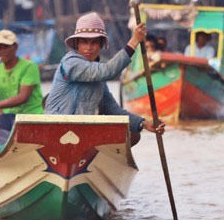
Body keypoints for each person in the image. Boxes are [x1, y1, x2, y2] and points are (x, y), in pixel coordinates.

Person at [45, 12, 165, 145]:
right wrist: (134, 41)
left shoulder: (99, 79)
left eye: (94, 42)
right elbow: (108, 71)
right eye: (84, 42)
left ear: (101, 45)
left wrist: (144, 123)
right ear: (77, 44)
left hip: (81, 134)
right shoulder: (71, 62)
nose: (89, 48)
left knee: (133, 134)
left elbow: (113, 110)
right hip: (57, 128)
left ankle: (99, 161)